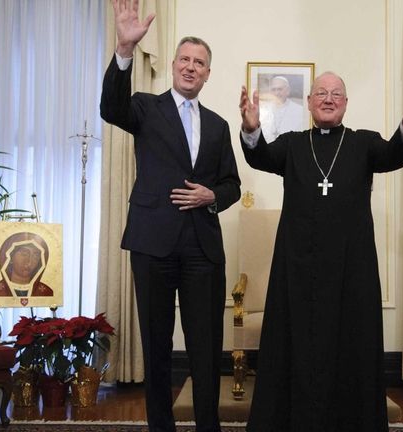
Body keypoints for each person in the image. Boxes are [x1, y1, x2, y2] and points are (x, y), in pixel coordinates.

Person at [238, 72, 403, 431]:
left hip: (349, 273)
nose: (328, 99)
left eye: (336, 94)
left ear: (345, 103)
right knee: (294, 348)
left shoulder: (363, 144)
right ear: (309, 102)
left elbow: (394, 153)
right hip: (298, 271)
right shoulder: (293, 144)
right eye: (321, 93)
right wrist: (251, 130)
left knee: (349, 349)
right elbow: (259, 157)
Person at [100, 1, 241, 431]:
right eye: (184, 59)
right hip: (152, 242)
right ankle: (160, 425)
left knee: (205, 346)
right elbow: (110, 108)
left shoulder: (218, 126)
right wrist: (124, 50)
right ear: (175, 65)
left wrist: (210, 195)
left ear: (208, 73)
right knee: (157, 345)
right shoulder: (144, 107)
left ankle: (207, 426)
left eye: (199, 63)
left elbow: (233, 186)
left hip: (202, 247)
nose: (191, 67)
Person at [0, 232, 53, 297]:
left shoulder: (45, 291)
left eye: (36, 256)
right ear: (10, 257)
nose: (29, 262)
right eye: (24, 254)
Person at [260, 76, 306, 142]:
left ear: (288, 91)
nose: (276, 93)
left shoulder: (299, 110)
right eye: (274, 90)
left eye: (279, 89)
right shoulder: (263, 109)